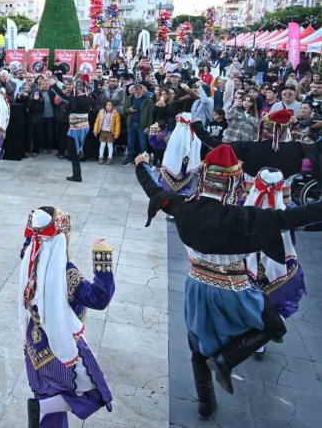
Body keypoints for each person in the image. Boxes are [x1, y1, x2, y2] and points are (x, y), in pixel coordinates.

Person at [135, 145, 322, 419]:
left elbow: (154, 191)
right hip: (235, 289)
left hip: (197, 286)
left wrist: (141, 164)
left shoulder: (182, 206)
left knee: (198, 348)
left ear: (204, 177)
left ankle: (206, 404)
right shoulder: (244, 217)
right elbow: (292, 217)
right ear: (233, 182)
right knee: (274, 325)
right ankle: (226, 359)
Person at [22, 207, 115, 428]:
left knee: (46, 392)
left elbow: (29, 242)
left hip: (35, 345)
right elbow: (99, 298)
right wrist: (102, 258)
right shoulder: (66, 274)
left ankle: (44, 409)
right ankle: (43, 408)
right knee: (95, 393)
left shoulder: (30, 259)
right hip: (59, 345)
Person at [243, 169, 306, 360]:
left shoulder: (245, 208)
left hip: (249, 264)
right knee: (274, 301)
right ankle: (263, 337)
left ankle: (254, 336)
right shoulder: (287, 211)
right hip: (278, 265)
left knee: (250, 300)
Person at [65, 80, 92, 183]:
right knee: (78, 150)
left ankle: (77, 176)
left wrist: (54, 86)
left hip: (75, 129)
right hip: (85, 128)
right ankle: (77, 175)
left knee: (74, 153)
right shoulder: (88, 98)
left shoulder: (75, 99)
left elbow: (68, 109)